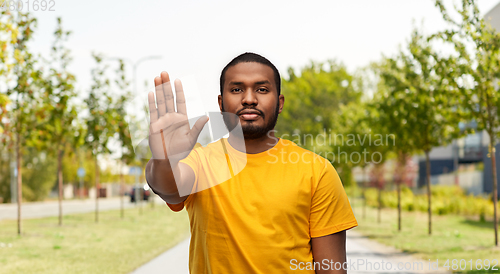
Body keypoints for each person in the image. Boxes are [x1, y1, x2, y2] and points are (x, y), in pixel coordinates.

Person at [145, 52, 358, 274]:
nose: (249, 99)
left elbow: (331, 270)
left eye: (262, 89)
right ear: (220, 103)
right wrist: (163, 159)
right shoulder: (200, 162)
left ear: (280, 102)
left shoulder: (316, 170)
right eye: (236, 89)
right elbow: (167, 187)